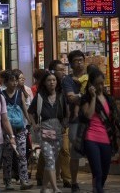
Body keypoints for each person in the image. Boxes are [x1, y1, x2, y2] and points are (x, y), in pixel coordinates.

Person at [28, 71, 67, 193]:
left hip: (58, 130)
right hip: (44, 129)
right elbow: (30, 112)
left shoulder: (61, 96)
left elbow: (66, 114)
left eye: (54, 80)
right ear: (44, 82)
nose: (52, 82)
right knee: (49, 159)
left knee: (52, 160)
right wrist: (34, 125)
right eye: (49, 80)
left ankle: (44, 188)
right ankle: (55, 188)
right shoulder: (39, 97)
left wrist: (64, 125)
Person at [81, 69, 119, 193]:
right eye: (97, 84)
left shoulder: (108, 99)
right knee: (97, 171)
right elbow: (88, 115)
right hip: (91, 137)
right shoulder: (86, 98)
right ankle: (98, 189)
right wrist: (93, 98)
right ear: (91, 84)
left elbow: (115, 118)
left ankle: (97, 189)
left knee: (105, 170)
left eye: (102, 83)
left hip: (106, 138)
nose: (100, 86)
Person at [0, 70, 33, 190]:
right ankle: (7, 182)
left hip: (20, 128)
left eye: (15, 80)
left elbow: (24, 108)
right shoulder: (1, 94)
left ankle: (24, 180)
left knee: (22, 155)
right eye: (11, 81)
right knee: (7, 156)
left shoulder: (20, 93)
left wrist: (29, 122)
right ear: (6, 82)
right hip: (7, 131)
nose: (14, 83)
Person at [62, 50, 85, 193]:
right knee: (75, 152)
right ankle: (74, 181)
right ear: (71, 64)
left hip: (92, 119)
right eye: (76, 60)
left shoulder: (90, 76)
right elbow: (71, 98)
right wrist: (85, 94)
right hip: (75, 120)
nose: (80, 62)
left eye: (81, 60)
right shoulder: (68, 80)